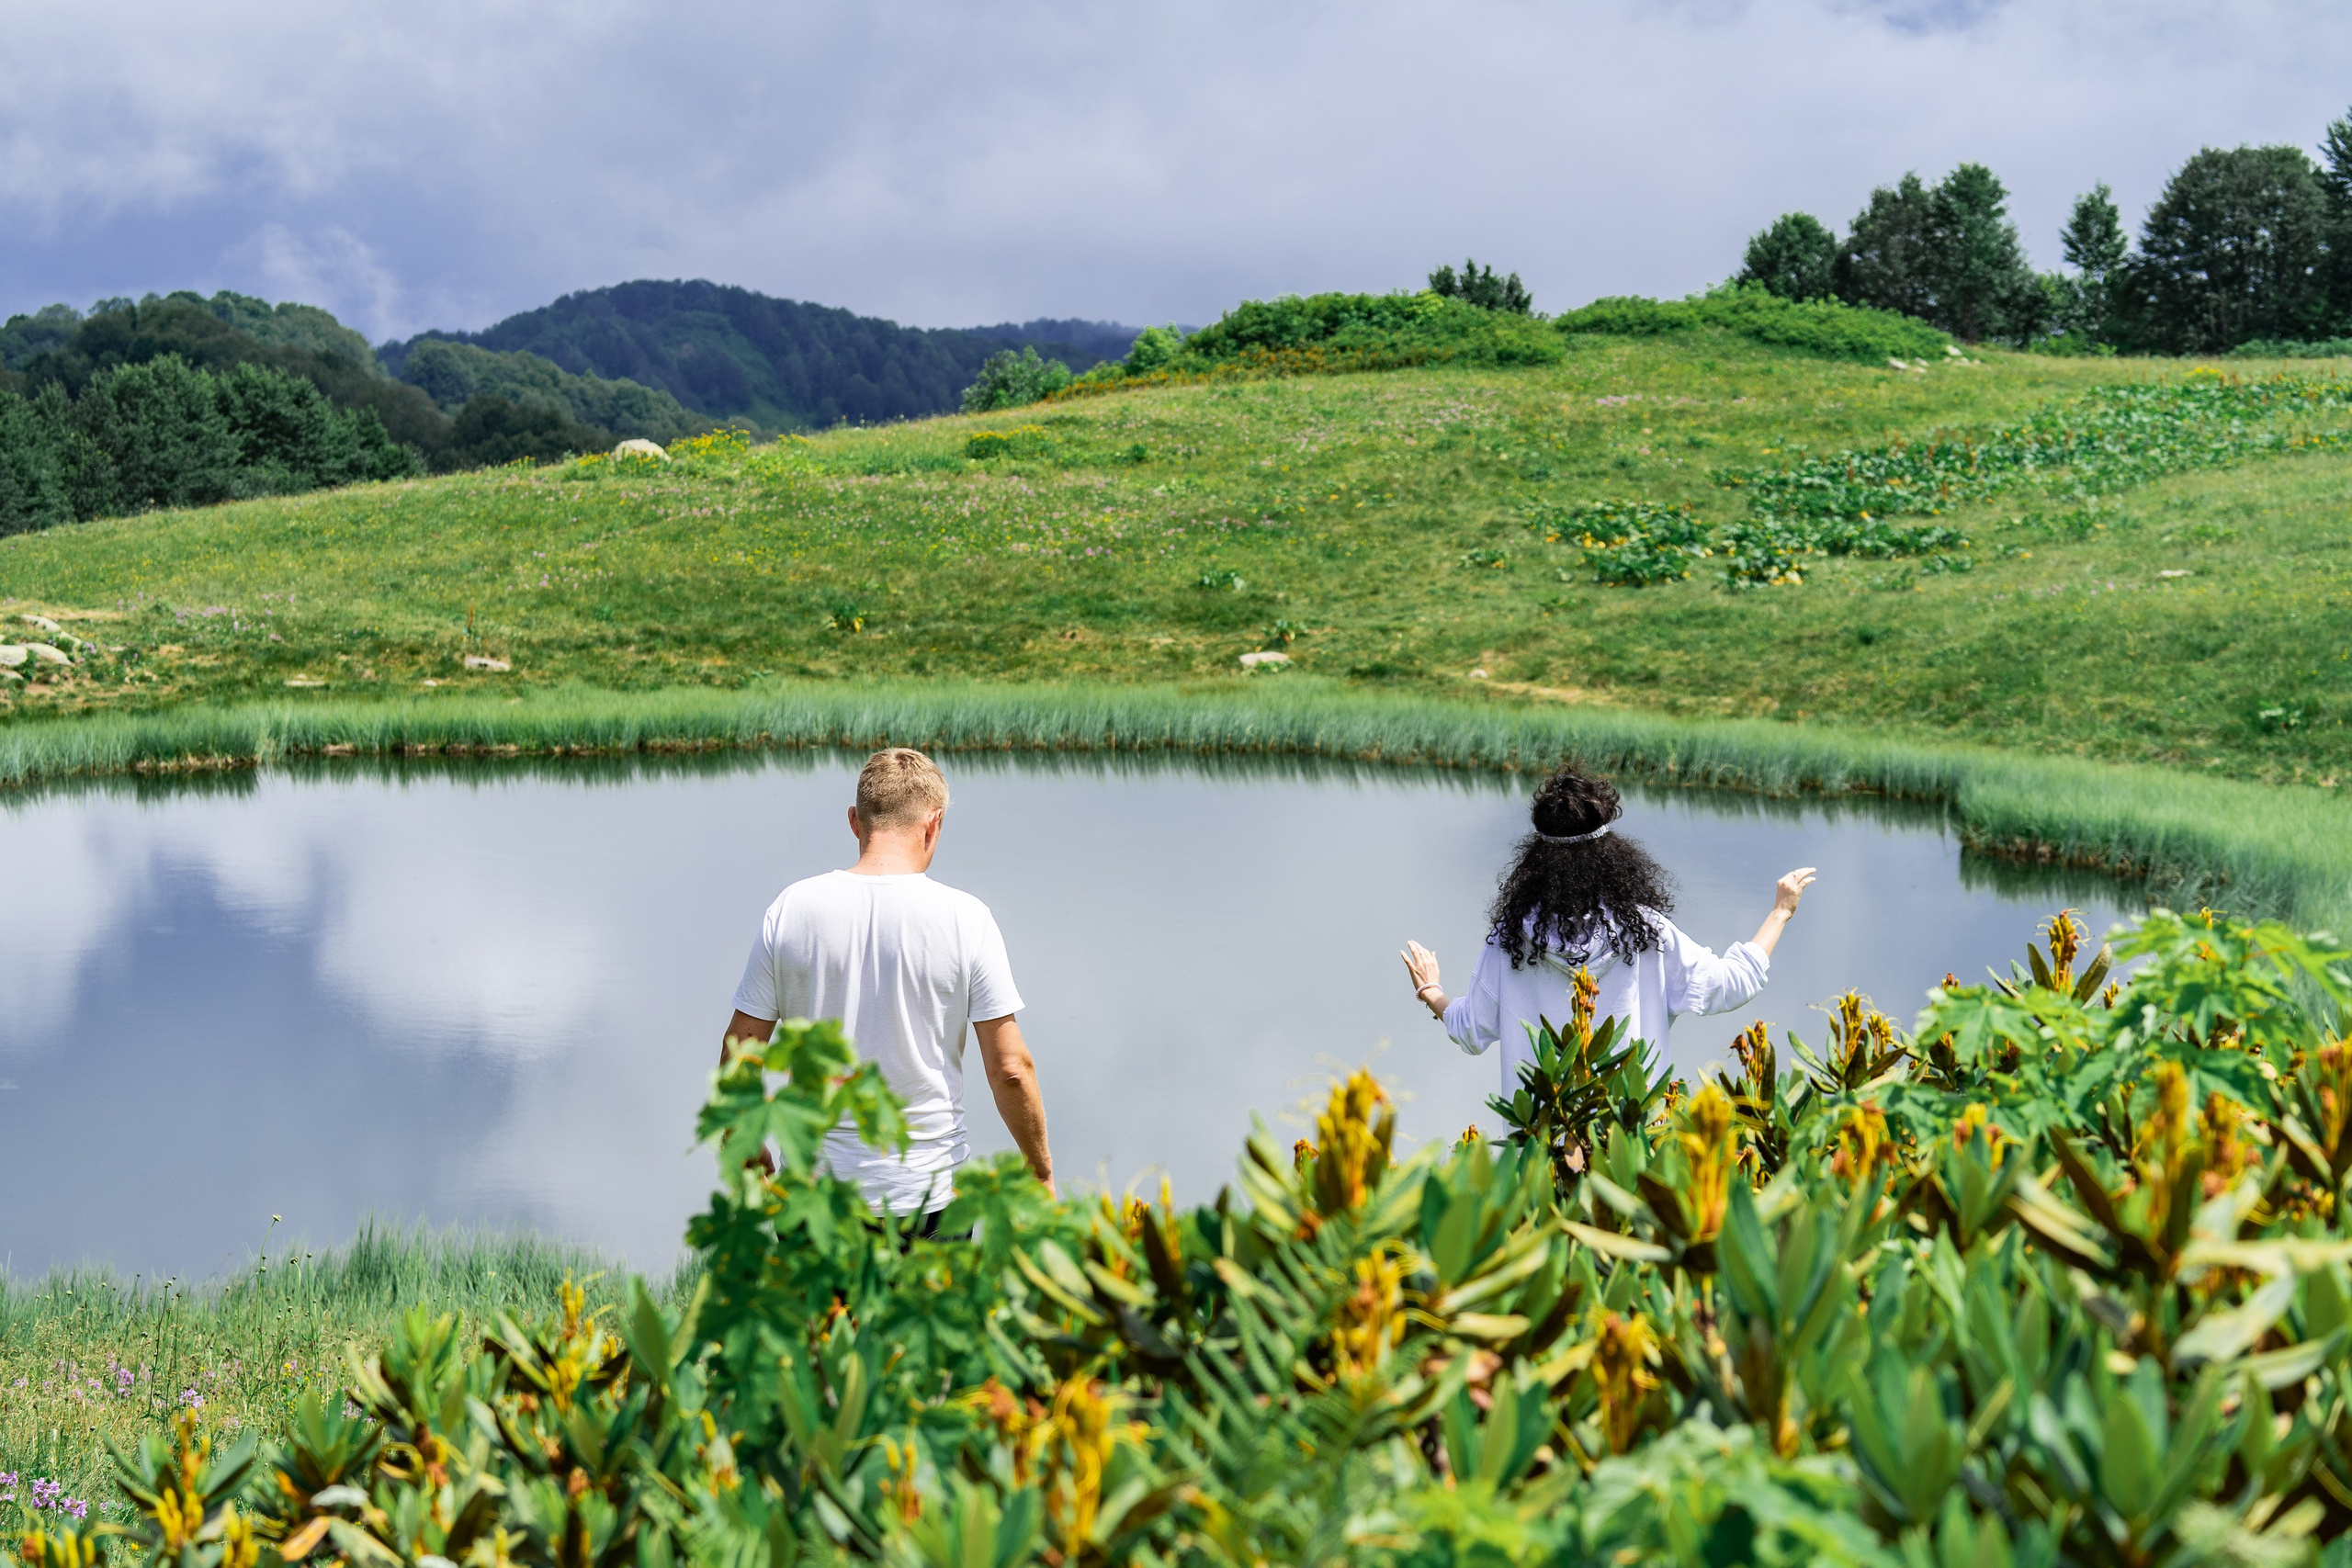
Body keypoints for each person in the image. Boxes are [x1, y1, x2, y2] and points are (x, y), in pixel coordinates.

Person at [721, 747, 1055, 1236]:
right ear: (933, 824)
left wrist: (749, 1148)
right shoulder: (967, 918)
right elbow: (1009, 1069)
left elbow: (738, 1056)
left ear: (855, 821)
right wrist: (1039, 1171)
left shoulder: (792, 909)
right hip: (930, 1198)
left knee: (825, 1319)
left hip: (816, 1198)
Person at [1399, 765, 1815, 1090]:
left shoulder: (1511, 940)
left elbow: (1471, 1029)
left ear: (1535, 859)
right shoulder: (1646, 932)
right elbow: (1732, 984)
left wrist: (1431, 991)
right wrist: (1780, 912)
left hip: (1542, 1151)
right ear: (1612, 854)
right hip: (1626, 1150)